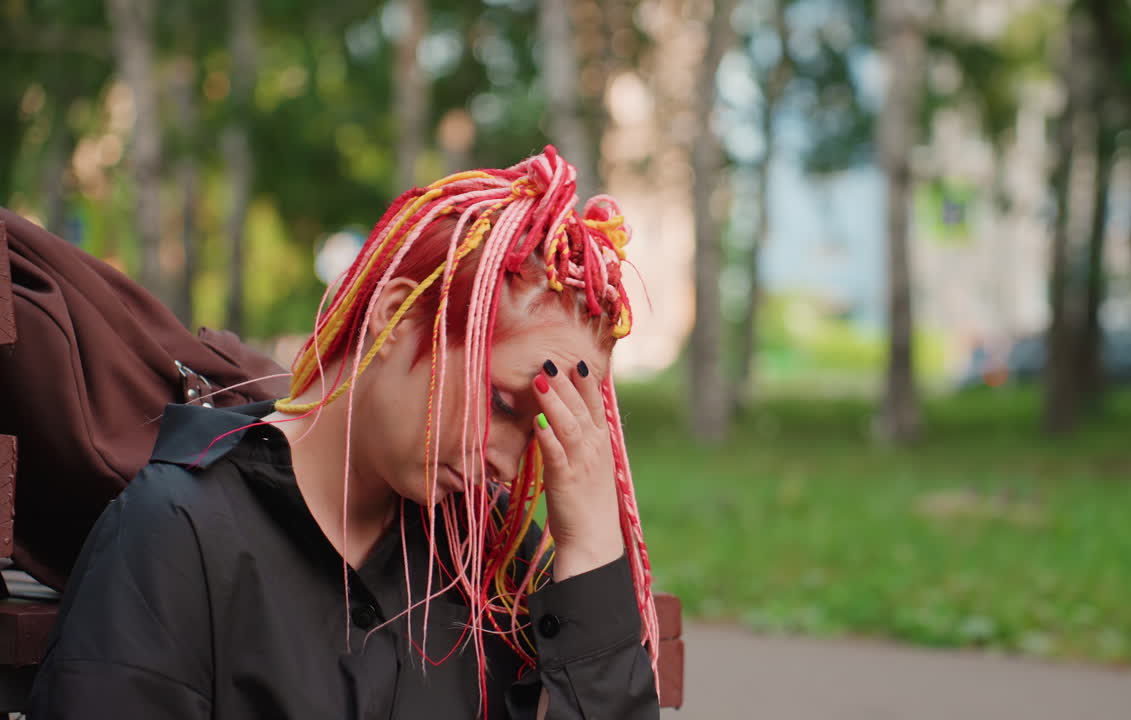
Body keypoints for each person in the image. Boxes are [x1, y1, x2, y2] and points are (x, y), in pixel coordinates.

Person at [28, 147, 660, 719]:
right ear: (395, 315)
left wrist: (594, 549)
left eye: (546, 424)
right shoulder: (176, 534)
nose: (508, 459)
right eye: (500, 402)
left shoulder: (491, 558)